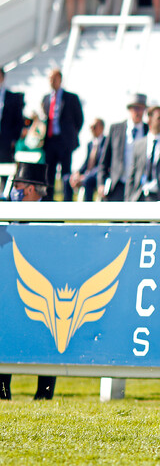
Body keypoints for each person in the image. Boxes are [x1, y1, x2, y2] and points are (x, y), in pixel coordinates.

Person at [0, 162, 57, 402]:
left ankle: (44, 396)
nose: (13, 191)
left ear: (32, 189)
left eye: (18, 186)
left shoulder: (55, 215)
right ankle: (3, 394)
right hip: (9, 289)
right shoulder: (7, 212)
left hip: (43, 293)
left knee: (47, 340)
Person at [41, 68, 84, 201]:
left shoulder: (70, 98)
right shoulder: (46, 99)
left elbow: (79, 119)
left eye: (54, 78)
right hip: (50, 141)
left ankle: (67, 201)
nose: (52, 81)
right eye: (50, 79)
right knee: (49, 174)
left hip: (64, 141)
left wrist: (70, 135)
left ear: (60, 79)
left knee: (66, 174)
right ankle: (48, 201)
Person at [98, 93, 149, 201]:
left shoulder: (148, 131)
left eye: (141, 108)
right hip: (117, 184)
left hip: (139, 186)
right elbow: (104, 160)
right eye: (135, 108)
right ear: (130, 109)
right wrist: (101, 183)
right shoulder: (116, 129)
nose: (138, 112)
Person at [68, 118, 106, 201]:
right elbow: (86, 163)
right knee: (67, 179)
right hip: (87, 173)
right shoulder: (90, 144)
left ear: (101, 127)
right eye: (91, 127)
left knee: (88, 180)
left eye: (94, 126)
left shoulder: (106, 142)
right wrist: (77, 173)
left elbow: (102, 164)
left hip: (98, 174)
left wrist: (85, 176)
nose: (92, 129)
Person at [0, 67, 25, 165]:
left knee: (5, 167)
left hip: (6, 139)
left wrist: (14, 138)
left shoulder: (13, 98)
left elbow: (18, 120)